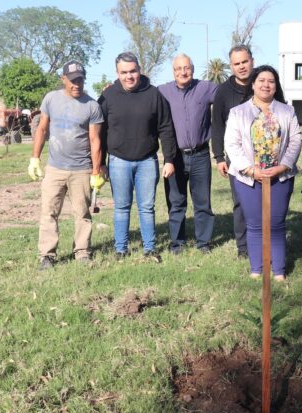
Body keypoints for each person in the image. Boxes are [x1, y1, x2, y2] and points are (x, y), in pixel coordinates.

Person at [224, 65, 302, 281]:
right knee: (254, 224)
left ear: (276, 86)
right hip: (248, 178)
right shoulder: (238, 112)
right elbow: (232, 143)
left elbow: (295, 140)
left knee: (276, 223)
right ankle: (257, 269)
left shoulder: (287, 111)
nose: (266, 85)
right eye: (262, 80)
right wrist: (250, 170)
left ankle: (278, 270)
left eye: (271, 81)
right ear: (253, 84)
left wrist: (283, 166)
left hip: (280, 177)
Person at [98, 52, 177, 263]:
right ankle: (121, 249)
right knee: (122, 207)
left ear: (139, 70)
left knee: (146, 207)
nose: (129, 76)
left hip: (147, 161)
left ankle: (150, 248)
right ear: (117, 73)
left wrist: (168, 159)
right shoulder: (108, 96)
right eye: (124, 72)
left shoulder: (154, 94)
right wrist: (100, 164)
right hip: (118, 161)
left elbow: (166, 127)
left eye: (133, 71)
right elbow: (99, 131)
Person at [28, 60, 104, 271]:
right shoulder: (51, 99)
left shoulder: (92, 105)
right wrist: (35, 158)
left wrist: (96, 171)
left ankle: (82, 252)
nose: (76, 84)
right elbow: (42, 129)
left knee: (82, 213)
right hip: (55, 168)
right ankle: (47, 255)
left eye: (80, 80)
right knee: (49, 212)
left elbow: (95, 140)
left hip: (81, 169)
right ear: (63, 79)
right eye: (72, 80)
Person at [158, 54, 218, 254]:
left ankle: (203, 243)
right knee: (176, 202)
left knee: (203, 202)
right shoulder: (163, 91)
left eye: (187, 68)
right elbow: (141, 92)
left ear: (192, 69)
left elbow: (228, 95)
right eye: (178, 69)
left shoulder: (206, 88)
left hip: (200, 155)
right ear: (173, 71)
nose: (183, 72)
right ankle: (177, 244)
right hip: (174, 157)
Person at [212, 45, 254, 258]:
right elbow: (217, 125)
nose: (241, 67)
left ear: (252, 61)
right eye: (237, 64)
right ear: (231, 66)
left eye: (244, 62)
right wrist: (219, 157)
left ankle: (264, 241)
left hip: (265, 156)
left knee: (265, 202)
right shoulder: (223, 91)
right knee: (241, 201)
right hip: (236, 157)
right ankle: (243, 248)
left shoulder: (262, 83)